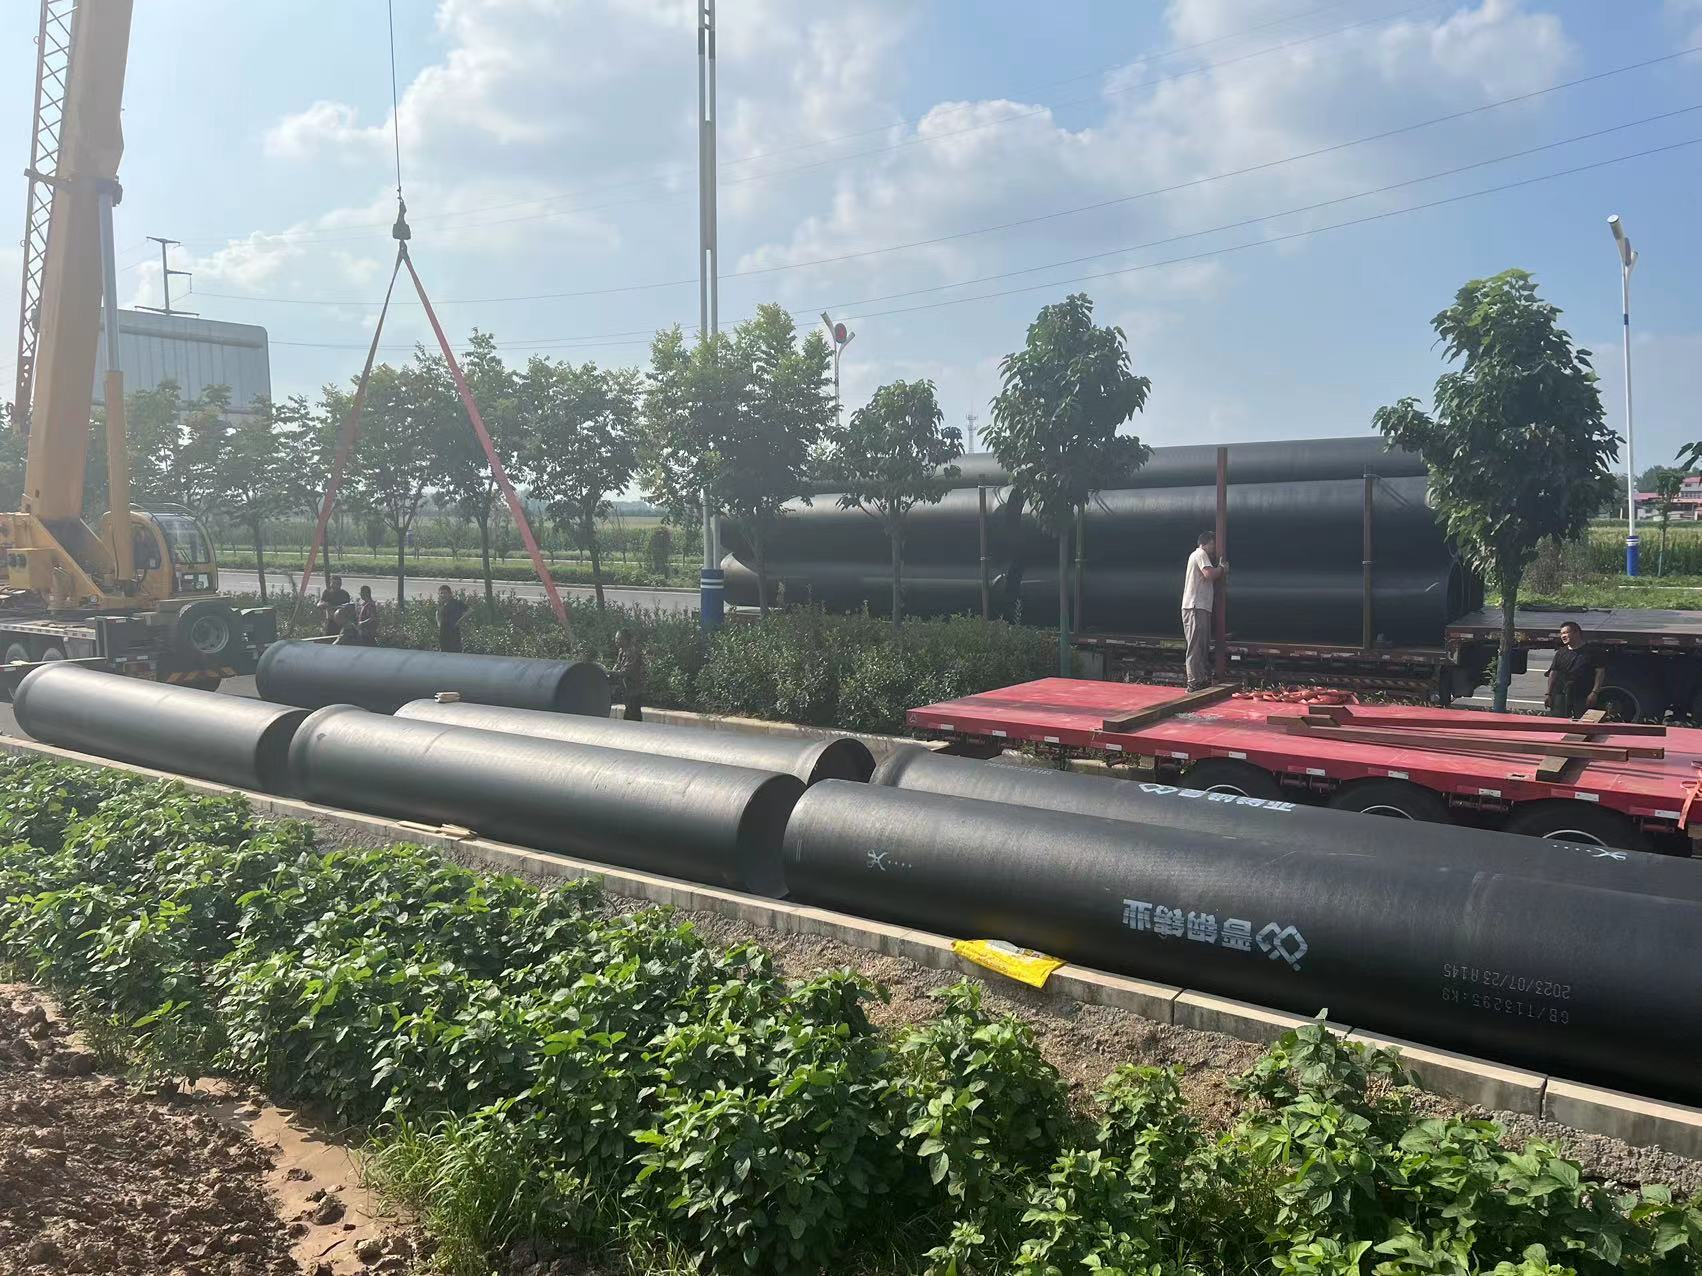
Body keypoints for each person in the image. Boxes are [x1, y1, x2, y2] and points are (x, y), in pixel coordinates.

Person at [1181, 530, 1228, 692]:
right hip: (1195, 607)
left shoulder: (1198, 555)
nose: (1214, 548)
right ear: (1205, 543)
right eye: (1213, 544)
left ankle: (1199, 679)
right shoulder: (1200, 554)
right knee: (1196, 646)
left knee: (1201, 645)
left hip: (1200, 607)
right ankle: (1194, 682)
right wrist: (1221, 569)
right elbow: (1208, 573)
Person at [1547, 620, 1607, 719]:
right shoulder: (1560, 652)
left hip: (1582, 695)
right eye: (1561, 634)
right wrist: (1548, 694)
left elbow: (1600, 673)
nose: (1563, 636)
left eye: (1566, 633)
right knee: (1558, 721)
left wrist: (1594, 692)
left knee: (1583, 722)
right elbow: (1553, 673)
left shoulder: (1592, 652)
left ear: (1576, 633)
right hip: (1561, 694)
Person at [612, 626, 647, 721]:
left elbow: (626, 671)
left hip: (634, 689)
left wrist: (612, 672)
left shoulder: (632, 652)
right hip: (627, 689)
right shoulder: (622, 651)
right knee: (630, 713)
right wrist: (612, 671)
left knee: (633, 714)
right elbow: (618, 665)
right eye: (616, 638)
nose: (616, 641)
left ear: (625, 640)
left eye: (618, 639)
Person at [436, 584, 469, 653]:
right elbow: (437, 613)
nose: (443, 595)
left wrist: (460, 621)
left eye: (445, 593)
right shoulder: (442, 604)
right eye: (441, 593)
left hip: (453, 633)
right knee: (444, 653)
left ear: (450, 594)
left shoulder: (456, 603)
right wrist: (438, 623)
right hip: (443, 634)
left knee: (455, 653)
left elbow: (470, 610)